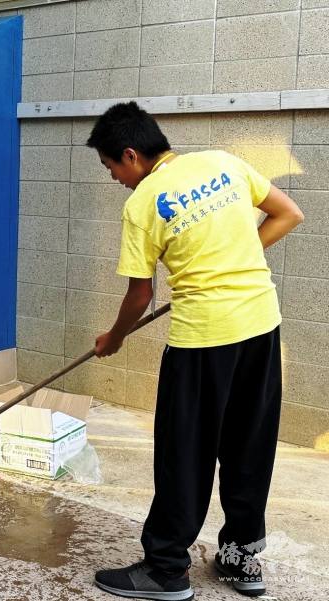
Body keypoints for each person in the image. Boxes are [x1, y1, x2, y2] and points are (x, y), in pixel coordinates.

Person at [87, 102, 303, 600]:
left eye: (112, 168)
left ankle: (165, 570)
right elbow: (288, 212)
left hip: (203, 338)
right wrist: (233, 256)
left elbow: (140, 296)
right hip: (260, 327)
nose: (116, 179)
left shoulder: (143, 204)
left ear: (131, 155)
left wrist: (114, 338)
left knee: (185, 453)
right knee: (249, 446)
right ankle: (240, 559)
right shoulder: (223, 162)